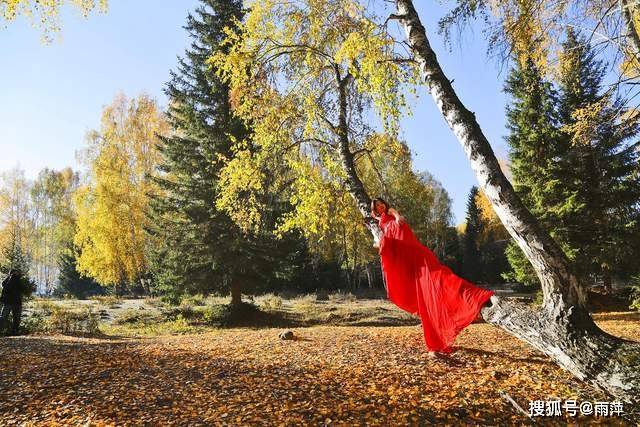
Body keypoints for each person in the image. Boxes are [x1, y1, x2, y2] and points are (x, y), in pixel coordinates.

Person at [371, 197, 495, 355]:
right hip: (408, 260)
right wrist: (378, 242)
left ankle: (474, 297)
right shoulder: (380, 223)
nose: (381, 207)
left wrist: (396, 218)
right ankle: (435, 341)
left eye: (381, 204)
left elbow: (399, 220)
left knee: (440, 279)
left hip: (415, 254)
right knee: (427, 295)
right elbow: (382, 240)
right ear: (374, 209)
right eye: (377, 206)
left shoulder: (390, 212)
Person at [0, 269, 24, 336]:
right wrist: (10, 278)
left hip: (16, 303)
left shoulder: (18, 281)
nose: (15, 275)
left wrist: (17, 278)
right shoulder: (7, 281)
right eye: (14, 274)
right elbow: (5, 286)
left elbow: (23, 288)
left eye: (16, 274)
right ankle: (1, 331)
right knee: (3, 317)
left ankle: (15, 331)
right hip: (8, 302)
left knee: (16, 318)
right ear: (10, 274)